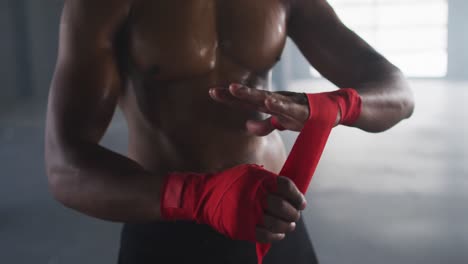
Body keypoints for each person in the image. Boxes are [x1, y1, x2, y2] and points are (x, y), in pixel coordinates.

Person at [45, 0, 414, 263]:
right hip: (167, 225)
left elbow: (397, 93)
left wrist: (337, 106)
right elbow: (64, 167)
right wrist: (198, 197)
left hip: (273, 219)